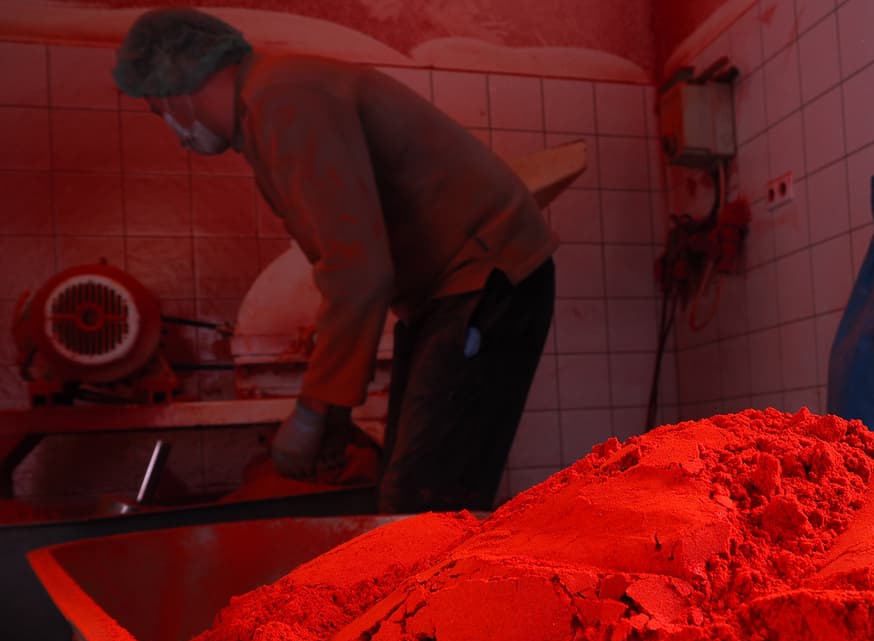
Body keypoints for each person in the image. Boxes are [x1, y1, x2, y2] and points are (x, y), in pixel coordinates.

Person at [112, 8, 558, 513]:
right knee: (412, 489)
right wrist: (334, 417)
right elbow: (346, 264)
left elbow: (358, 269)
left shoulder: (284, 99)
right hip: (448, 288)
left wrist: (313, 409)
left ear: (180, 84)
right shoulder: (268, 110)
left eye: (159, 109)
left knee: (426, 502)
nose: (175, 131)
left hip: (488, 272)